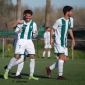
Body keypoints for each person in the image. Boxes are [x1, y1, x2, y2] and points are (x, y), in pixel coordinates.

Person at [4, 10, 39, 80]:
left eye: (29, 16)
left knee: (32, 57)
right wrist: (18, 30)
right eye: (26, 16)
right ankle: (7, 70)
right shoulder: (21, 22)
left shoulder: (34, 24)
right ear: (24, 15)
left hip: (29, 41)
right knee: (17, 57)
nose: (28, 17)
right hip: (21, 41)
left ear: (31, 16)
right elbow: (15, 31)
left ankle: (31, 75)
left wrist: (36, 34)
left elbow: (34, 35)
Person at [46, 5, 75, 80]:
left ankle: (49, 68)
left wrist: (73, 39)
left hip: (64, 42)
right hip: (58, 41)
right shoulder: (59, 21)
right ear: (67, 12)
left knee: (64, 60)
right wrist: (51, 39)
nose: (72, 12)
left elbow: (70, 30)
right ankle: (60, 76)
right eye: (71, 11)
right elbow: (52, 29)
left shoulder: (71, 20)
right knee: (61, 57)